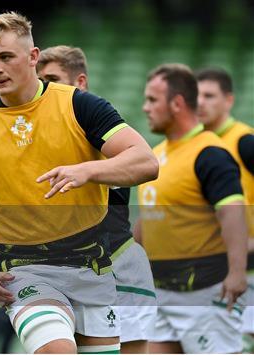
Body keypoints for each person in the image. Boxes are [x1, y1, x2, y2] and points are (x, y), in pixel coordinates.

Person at [0, 12, 158, 354]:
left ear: (32, 57)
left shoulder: (80, 107)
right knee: (58, 349)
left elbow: (146, 162)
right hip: (25, 271)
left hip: (92, 268)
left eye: (5, 57)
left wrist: (87, 170)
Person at [37, 45, 157, 354]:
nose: (44, 88)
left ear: (80, 83)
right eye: (40, 81)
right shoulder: (40, 138)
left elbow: (145, 164)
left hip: (117, 264)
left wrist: (88, 170)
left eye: (52, 78)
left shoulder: (101, 130)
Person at [136, 63, 248, 353]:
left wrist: (237, 272)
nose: (145, 107)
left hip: (204, 294)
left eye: (152, 100)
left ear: (176, 104)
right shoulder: (156, 155)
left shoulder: (210, 153)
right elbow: (147, 221)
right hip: (161, 292)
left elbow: (232, 211)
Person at [195, 67, 254, 339]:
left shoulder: (245, 142)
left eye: (209, 95)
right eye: (195, 95)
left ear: (228, 100)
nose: (201, 102)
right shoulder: (193, 146)